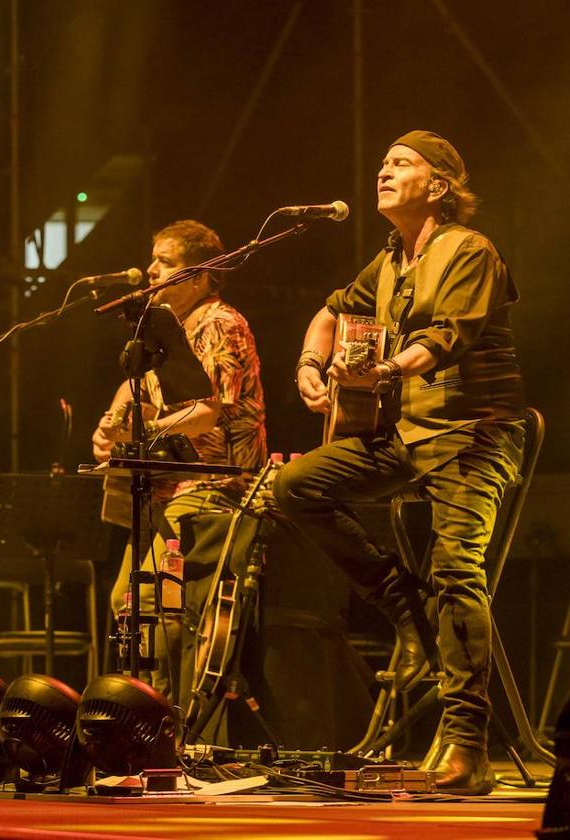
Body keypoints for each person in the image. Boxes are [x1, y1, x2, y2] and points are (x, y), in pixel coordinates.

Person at [274, 130, 526, 795]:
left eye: (401, 163)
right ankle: (404, 610)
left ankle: (469, 744)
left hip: (475, 432)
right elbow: (331, 311)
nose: (383, 170)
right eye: (383, 161)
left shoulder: (469, 251)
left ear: (439, 185)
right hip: (406, 433)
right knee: (296, 486)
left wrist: (384, 367)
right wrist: (308, 363)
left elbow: (448, 337)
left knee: (456, 569)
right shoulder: (389, 258)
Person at [92, 219, 267, 704]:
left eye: (164, 262)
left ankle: (168, 720)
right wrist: (110, 425)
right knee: (128, 599)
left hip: (214, 485)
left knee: (153, 597)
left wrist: (140, 435)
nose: (149, 270)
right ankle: (147, 713)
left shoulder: (218, 323)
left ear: (198, 276)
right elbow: (139, 395)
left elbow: (207, 411)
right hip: (169, 487)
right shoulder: (167, 329)